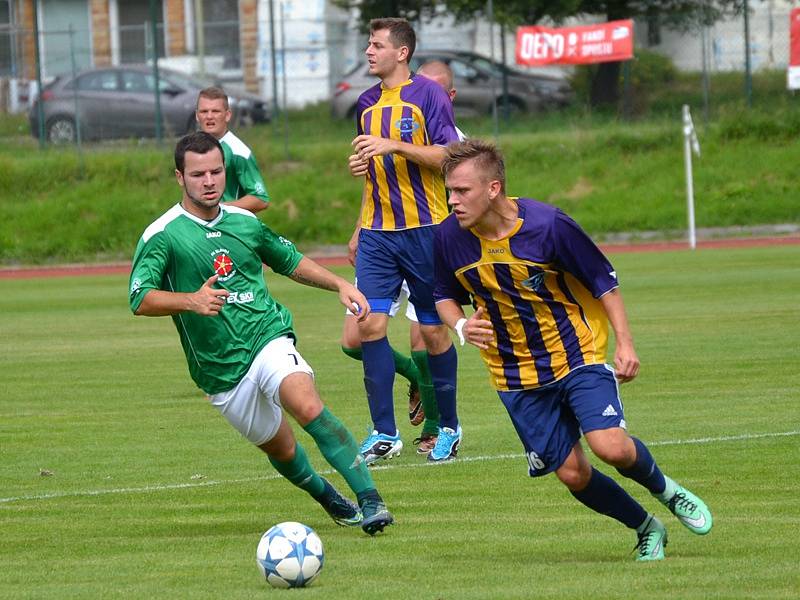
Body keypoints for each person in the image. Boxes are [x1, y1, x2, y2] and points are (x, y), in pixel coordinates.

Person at [433, 139, 713, 560]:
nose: (453, 201)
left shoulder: (548, 226)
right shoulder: (448, 237)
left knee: (611, 447)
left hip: (575, 353)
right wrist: (460, 324)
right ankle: (645, 526)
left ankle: (668, 492)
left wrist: (626, 343)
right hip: (514, 375)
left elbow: (604, 281)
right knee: (572, 473)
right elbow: (441, 293)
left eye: (462, 191)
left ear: (493, 189)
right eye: (449, 191)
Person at [128, 132, 393, 535]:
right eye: (198, 174)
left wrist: (339, 284)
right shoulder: (163, 234)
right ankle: (325, 494)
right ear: (179, 177)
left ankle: (371, 500)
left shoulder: (244, 221)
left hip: (267, 336)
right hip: (219, 369)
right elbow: (140, 297)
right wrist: (191, 301)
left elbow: (289, 261)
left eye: (216, 171)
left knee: (307, 406)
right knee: (282, 449)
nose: (210, 181)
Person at [347, 18, 463, 464]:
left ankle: (449, 428)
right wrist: (361, 208)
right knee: (368, 325)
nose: (369, 52)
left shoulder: (427, 94)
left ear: (402, 52)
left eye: (376, 45)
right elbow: (371, 165)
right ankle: (383, 433)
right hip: (378, 234)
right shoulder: (364, 103)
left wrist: (393, 146)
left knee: (433, 332)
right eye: (368, 45)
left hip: (425, 231)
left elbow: (450, 155)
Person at [196, 86, 269, 213]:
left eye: (215, 111)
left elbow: (260, 199)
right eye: (204, 111)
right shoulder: (191, 149)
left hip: (229, 228)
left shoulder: (238, 152)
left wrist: (221, 210)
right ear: (197, 116)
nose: (209, 116)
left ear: (227, 115)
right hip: (200, 227)